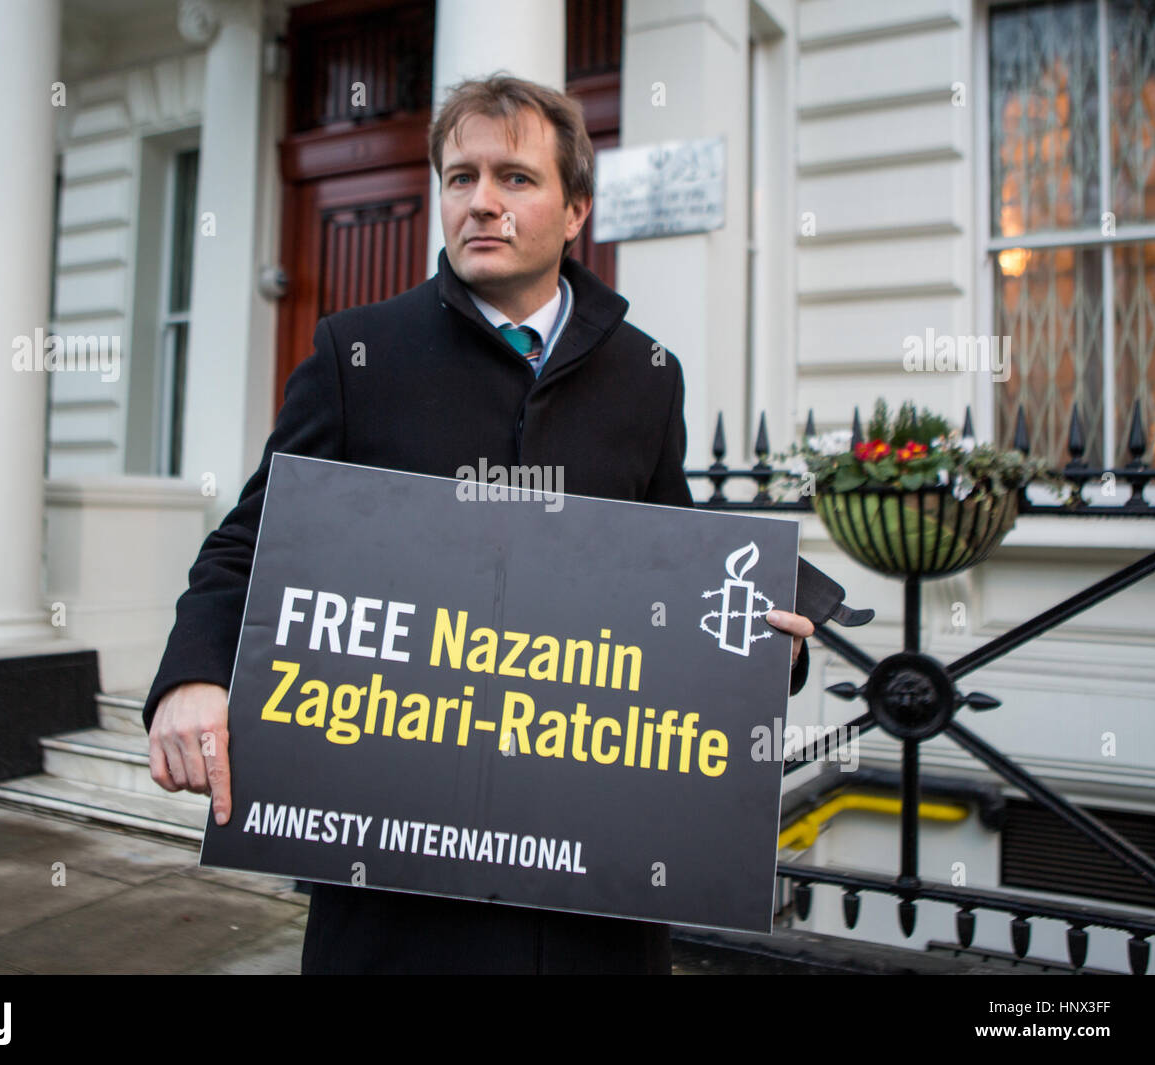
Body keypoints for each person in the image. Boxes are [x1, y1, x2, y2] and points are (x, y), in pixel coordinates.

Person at [143, 74, 814, 974]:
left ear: (577, 209)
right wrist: (193, 675)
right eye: (460, 178)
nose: (481, 203)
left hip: (588, 900)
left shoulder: (648, 374)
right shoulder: (358, 354)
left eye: (515, 179)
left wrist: (768, 648)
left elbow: (675, 574)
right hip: (398, 895)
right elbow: (248, 541)